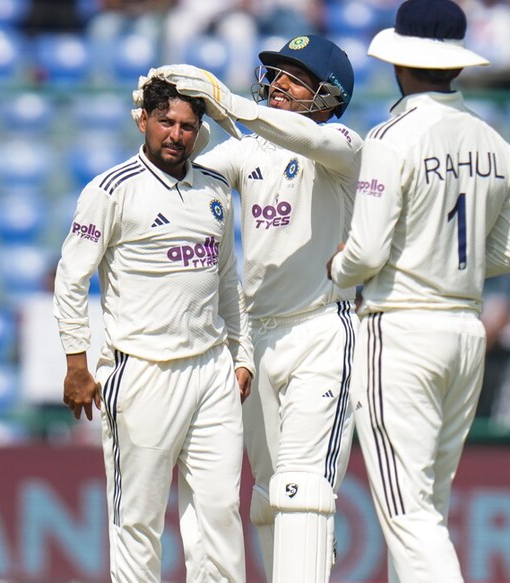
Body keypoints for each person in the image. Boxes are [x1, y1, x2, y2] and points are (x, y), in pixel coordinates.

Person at [324, 1, 510, 581]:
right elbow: (509, 253)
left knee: (408, 511)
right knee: (426, 508)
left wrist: (335, 273)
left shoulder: (391, 136)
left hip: (402, 329)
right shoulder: (497, 144)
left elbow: (362, 254)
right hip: (465, 330)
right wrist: (443, 266)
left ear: (400, 64)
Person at [152, 34, 361, 582]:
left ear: (329, 95)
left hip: (323, 330)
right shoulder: (250, 150)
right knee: (269, 497)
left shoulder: (341, 142)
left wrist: (231, 103)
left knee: (303, 488)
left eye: (297, 77)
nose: (281, 84)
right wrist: (164, 116)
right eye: (278, 73)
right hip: (257, 338)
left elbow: (310, 141)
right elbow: (180, 173)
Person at [54, 76, 254, 581]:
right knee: (137, 522)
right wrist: (77, 363)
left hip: (211, 371)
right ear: (143, 120)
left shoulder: (214, 189)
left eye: (188, 126)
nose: (176, 135)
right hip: (141, 370)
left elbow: (227, 278)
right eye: (166, 122)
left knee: (220, 515)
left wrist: (242, 353)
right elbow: (71, 278)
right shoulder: (110, 191)